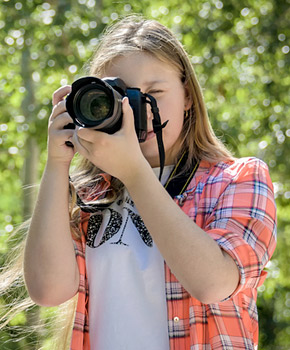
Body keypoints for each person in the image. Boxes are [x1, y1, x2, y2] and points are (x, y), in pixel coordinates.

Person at [23, 15, 277, 350]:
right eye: (121, 96)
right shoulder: (90, 195)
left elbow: (214, 283)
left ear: (188, 96)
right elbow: (47, 291)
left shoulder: (238, 179)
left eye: (154, 92)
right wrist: (57, 164)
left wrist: (134, 172)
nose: (138, 109)